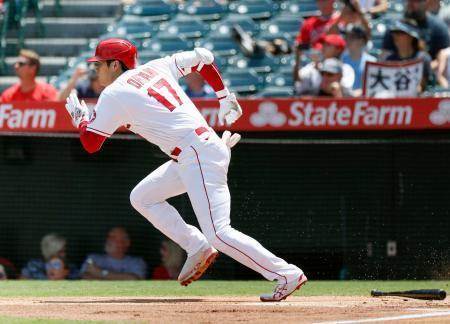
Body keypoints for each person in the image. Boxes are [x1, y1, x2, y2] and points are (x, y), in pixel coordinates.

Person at [64, 38, 307, 302]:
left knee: (219, 232)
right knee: (142, 197)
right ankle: (196, 245)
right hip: (195, 151)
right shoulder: (157, 66)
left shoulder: (113, 93)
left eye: (99, 64)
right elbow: (203, 58)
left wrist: (81, 120)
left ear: (114, 64)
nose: (95, 70)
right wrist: (223, 95)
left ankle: (286, 274)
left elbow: (90, 144)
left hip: (196, 154)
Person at [381, 0, 449, 61]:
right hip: (397, 69)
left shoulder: (438, 27)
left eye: (415, 1)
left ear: (426, 2)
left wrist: (425, 67)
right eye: (408, 0)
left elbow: (444, 58)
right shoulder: (395, 28)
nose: (410, 4)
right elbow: (384, 56)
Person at [293, 0, 340, 82]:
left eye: (325, 1)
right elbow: (299, 45)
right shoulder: (309, 23)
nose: (323, 3)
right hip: (313, 64)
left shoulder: (341, 19)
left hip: (336, 64)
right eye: (320, 1)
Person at [80, 227, 147, 280]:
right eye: (109, 237)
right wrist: (119, 278)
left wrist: (100, 272)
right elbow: (85, 277)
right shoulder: (93, 258)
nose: (109, 240)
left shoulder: (137, 262)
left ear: (127, 242)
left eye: (114, 237)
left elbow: (134, 279)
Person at [385, 19, 432, 94]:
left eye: (400, 33)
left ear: (411, 36)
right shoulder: (389, 59)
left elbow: (421, 86)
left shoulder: (423, 58)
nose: (395, 36)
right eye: (394, 33)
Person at [342, 24, 377, 95]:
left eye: (351, 37)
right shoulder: (341, 60)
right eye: (346, 37)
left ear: (361, 40)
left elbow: (374, 87)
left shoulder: (372, 62)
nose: (347, 40)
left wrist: (357, 93)